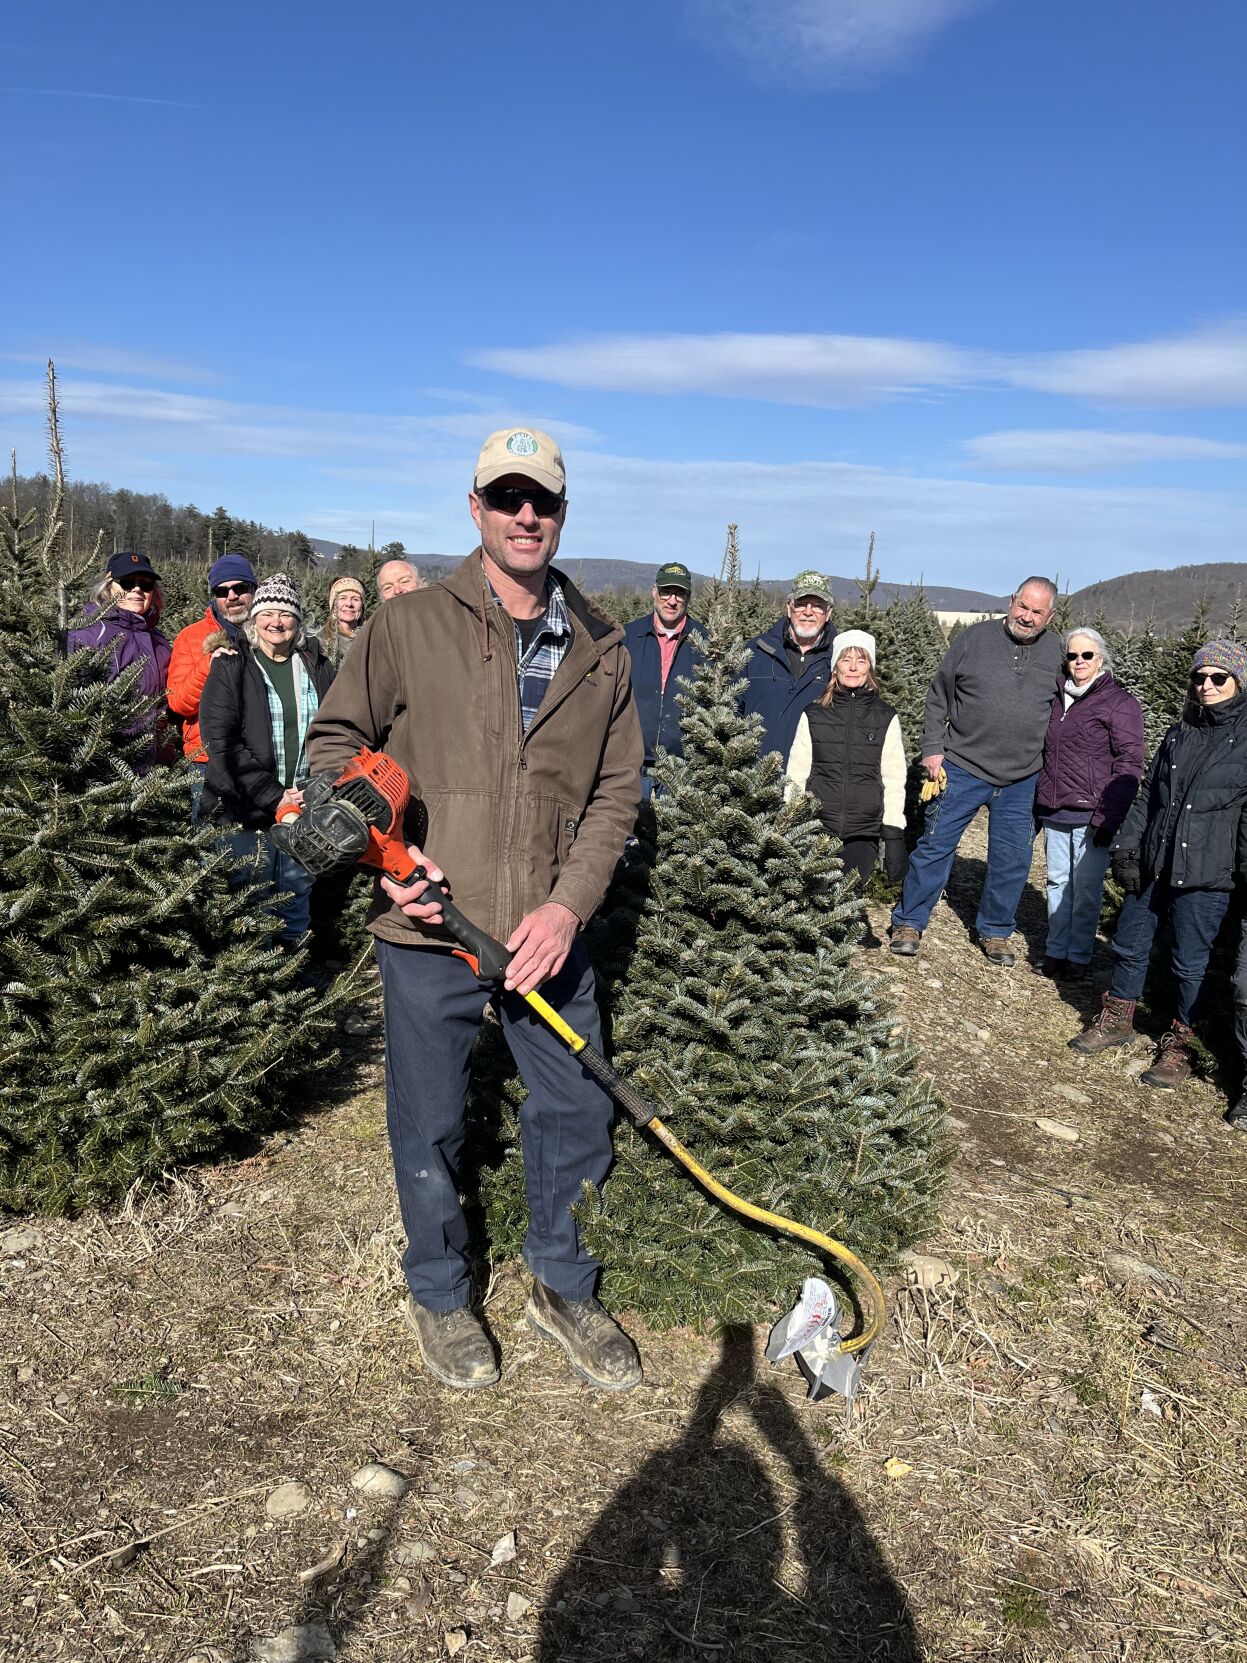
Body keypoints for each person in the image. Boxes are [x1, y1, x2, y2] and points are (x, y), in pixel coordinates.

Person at [306, 427, 644, 1394]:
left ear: (563, 513)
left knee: (576, 1108)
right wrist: (385, 855)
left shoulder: (600, 649)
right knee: (431, 1119)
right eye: (505, 497)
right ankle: (441, 1292)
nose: (524, 514)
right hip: (429, 929)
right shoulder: (408, 627)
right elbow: (334, 745)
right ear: (475, 509)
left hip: (545, 934)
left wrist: (567, 909)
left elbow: (616, 793)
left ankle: (561, 1285)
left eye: (540, 499)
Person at [1070, 640, 1247, 1093]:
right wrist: (1128, 851)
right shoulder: (1180, 732)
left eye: (1218, 677)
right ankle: (1118, 1018)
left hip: (1209, 872)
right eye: (1199, 677)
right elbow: (1147, 796)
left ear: (1238, 682)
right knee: (1130, 943)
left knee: (1191, 963)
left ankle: (1180, 1047)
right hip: (1155, 861)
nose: (1206, 686)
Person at [890, 577, 1063, 967]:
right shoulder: (974, 639)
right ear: (1012, 601)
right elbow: (938, 696)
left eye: (1038, 612)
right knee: (936, 845)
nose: (1027, 617)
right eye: (1023, 606)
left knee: (1013, 857)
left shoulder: (1058, 652)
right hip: (962, 766)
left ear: (1050, 616)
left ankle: (997, 930)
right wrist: (933, 748)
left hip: (1023, 776)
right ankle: (909, 921)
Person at [199, 573, 335, 946]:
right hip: (243, 808)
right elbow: (220, 741)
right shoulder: (232, 665)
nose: (277, 622)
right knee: (246, 898)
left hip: (303, 806)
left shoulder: (317, 667)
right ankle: (249, 995)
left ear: (297, 620)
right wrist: (273, 796)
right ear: (254, 619)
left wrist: (314, 791)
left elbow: (337, 732)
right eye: (268, 613)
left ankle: (293, 982)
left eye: (286, 613)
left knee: (295, 895)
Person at [1033, 628, 1144, 979]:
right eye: (1072, 655)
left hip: (1093, 814)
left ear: (1100, 659)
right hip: (1055, 808)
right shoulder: (1055, 697)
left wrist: (1109, 816)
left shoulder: (1119, 703)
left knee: (1085, 889)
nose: (1078, 662)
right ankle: (1055, 950)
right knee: (1056, 881)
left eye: (1087, 656)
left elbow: (1130, 763)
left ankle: (1078, 956)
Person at [784, 631, 907, 941]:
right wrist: (790, 818)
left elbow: (894, 776)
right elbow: (797, 770)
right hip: (819, 822)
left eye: (861, 659)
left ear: (870, 667)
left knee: (849, 892)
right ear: (835, 666)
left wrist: (893, 829)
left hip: (863, 825)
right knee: (815, 899)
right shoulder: (814, 713)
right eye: (846, 659)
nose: (853, 667)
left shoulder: (885, 717)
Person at [167, 554, 258, 818]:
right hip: (207, 760)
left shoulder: (268, 634)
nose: (232, 596)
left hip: (261, 756)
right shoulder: (191, 637)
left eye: (240, 588)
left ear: (254, 590)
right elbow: (178, 702)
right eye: (222, 590)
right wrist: (209, 666)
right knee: (213, 850)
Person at [67, 550, 172, 764]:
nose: (136, 589)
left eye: (146, 584)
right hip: (106, 768)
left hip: (158, 768)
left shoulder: (159, 640)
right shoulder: (87, 634)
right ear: (107, 588)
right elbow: (70, 707)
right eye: (126, 582)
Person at [622, 561, 705, 799]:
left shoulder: (706, 645)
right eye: (666, 591)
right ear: (654, 591)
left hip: (684, 775)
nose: (672, 600)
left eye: (680, 593)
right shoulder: (628, 639)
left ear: (688, 597)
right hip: (631, 769)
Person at [741, 572, 836, 762]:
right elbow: (730, 709)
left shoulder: (838, 661)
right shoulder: (756, 651)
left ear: (829, 612)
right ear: (789, 607)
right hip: (750, 780)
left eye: (817, 606)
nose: (808, 612)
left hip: (808, 784)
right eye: (801, 604)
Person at [325, 575, 365, 665]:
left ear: (362, 605)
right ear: (333, 604)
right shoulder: (319, 642)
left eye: (356, 599)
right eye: (342, 598)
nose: (349, 604)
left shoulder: (372, 639)